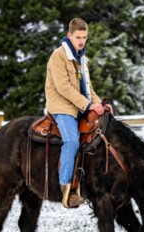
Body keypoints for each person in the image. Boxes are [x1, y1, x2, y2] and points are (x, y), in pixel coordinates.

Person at [45, 17, 103, 208]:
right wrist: (88, 105)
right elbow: (64, 88)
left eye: (84, 37)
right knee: (71, 140)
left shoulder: (82, 58)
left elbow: (88, 88)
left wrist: (99, 104)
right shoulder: (58, 56)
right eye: (78, 37)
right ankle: (65, 188)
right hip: (62, 106)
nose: (81, 41)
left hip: (79, 105)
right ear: (69, 35)